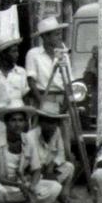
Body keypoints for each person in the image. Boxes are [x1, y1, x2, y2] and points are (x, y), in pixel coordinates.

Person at [25, 15, 72, 157]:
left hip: (61, 98)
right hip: (43, 96)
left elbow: (69, 80)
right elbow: (31, 80)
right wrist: (42, 102)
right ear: (45, 37)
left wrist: (67, 102)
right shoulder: (33, 54)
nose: (59, 37)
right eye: (56, 34)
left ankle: (63, 166)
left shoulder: (63, 54)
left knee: (64, 139)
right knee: (39, 137)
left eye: (59, 34)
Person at [27, 102, 75, 203]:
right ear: (41, 122)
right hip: (34, 174)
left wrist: (53, 164)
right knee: (49, 185)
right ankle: (52, 200)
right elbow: (29, 164)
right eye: (47, 122)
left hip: (49, 169)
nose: (51, 126)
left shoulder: (56, 132)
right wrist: (43, 170)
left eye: (54, 122)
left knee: (69, 167)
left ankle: (62, 195)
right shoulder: (31, 136)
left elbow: (61, 154)